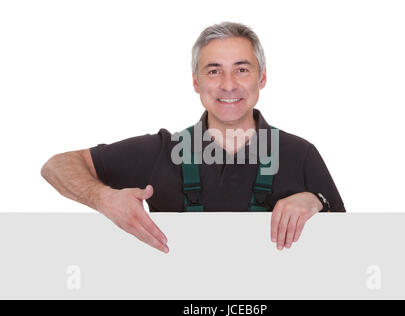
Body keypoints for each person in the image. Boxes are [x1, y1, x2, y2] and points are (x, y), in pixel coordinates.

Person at [41, 22, 345, 254]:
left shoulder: (300, 154)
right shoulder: (161, 151)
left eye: (241, 69)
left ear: (261, 77)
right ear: (196, 82)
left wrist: (317, 201)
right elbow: (57, 165)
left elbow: (349, 250)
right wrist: (105, 198)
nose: (228, 85)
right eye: (214, 72)